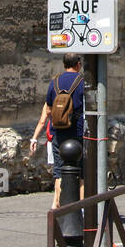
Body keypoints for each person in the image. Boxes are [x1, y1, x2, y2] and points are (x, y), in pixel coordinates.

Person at [29, 54, 87, 208]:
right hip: (77, 132)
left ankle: (57, 205)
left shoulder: (54, 82)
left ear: (64, 64)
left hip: (58, 132)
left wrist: (34, 138)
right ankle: (81, 208)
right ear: (78, 64)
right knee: (81, 172)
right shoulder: (83, 82)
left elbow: (47, 111)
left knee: (59, 171)